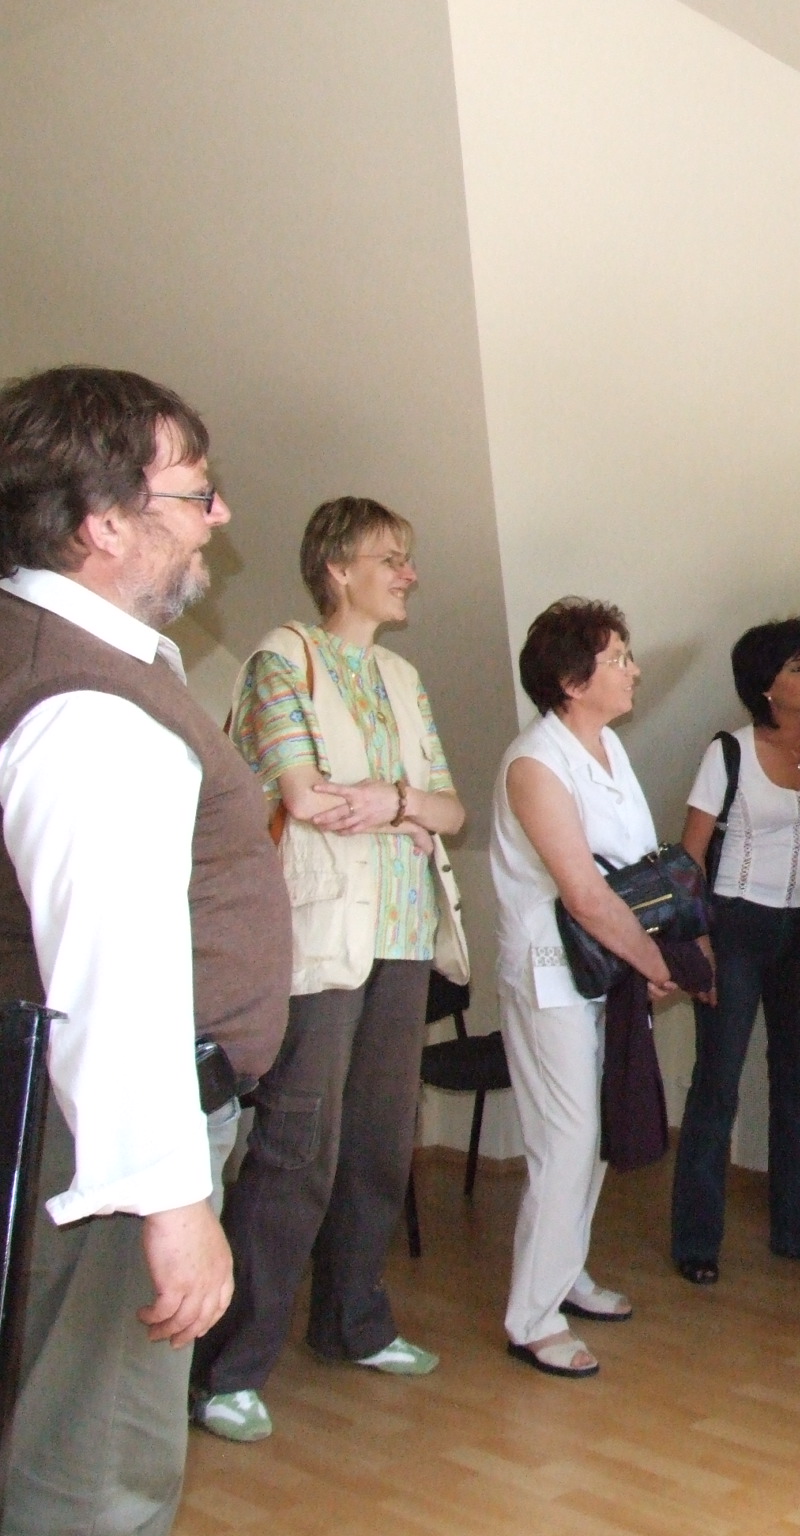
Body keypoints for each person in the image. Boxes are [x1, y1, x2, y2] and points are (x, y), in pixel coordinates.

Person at [0, 366, 289, 1532]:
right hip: (108, 1153)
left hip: (77, 1125)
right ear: (103, 523)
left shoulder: (76, 655)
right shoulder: (91, 711)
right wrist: (170, 1202)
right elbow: (109, 975)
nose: (219, 515)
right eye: (196, 492)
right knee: (96, 1470)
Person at [192, 497, 469, 1441]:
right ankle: (228, 1369)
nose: (409, 573)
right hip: (320, 941)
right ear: (337, 568)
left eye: (407, 557)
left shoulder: (402, 674)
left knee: (381, 1146)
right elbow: (308, 797)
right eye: (391, 558)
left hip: (403, 935)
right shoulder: (281, 660)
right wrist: (404, 805)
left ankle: (352, 1323)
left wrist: (393, 800)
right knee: (296, 1151)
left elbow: (451, 810)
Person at [492, 599, 678, 1378]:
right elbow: (584, 893)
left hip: (607, 965)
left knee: (594, 1131)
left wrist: (652, 953)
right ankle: (531, 1319)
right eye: (618, 658)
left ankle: (564, 1275)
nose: (634, 669)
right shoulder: (535, 764)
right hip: (553, 973)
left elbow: (635, 869)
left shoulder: (606, 746)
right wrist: (654, 963)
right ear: (571, 681)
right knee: (565, 1141)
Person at [670, 617, 800, 1283]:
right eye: (797, 667)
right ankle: (696, 1241)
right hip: (735, 925)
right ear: (765, 686)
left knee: (797, 1085)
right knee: (718, 1083)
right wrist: (697, 940)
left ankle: (795, 1229)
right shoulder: (728, 753)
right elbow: (690, 857)